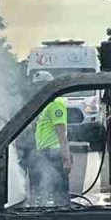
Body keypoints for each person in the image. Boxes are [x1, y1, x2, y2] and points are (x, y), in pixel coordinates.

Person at [27, 71, 72, 206]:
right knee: (43, 193)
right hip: (44, 155)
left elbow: (61, 134)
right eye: (36, 86)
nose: (38, 89)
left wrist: (66, 159)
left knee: (59, 197)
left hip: (54, 155)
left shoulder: (56, 105)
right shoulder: (46, 105)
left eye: (41, 86)